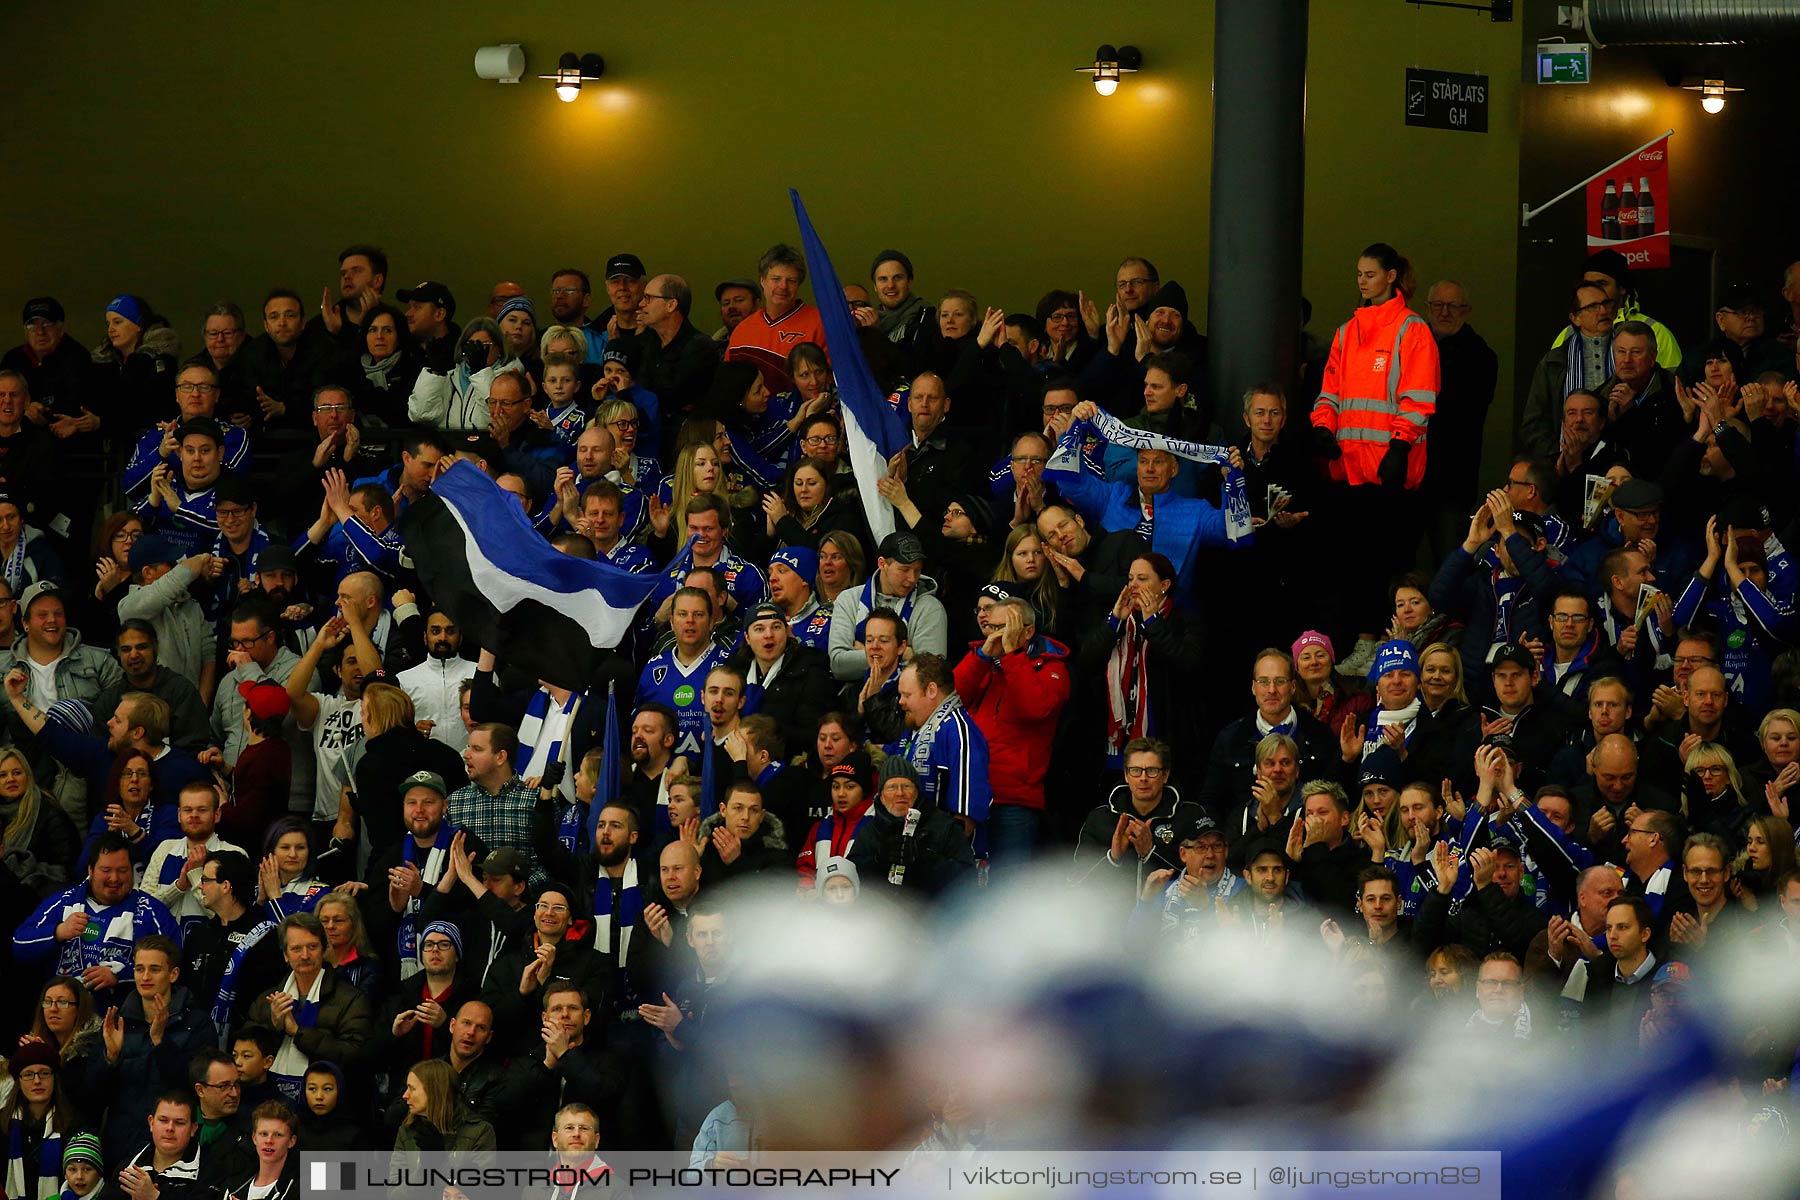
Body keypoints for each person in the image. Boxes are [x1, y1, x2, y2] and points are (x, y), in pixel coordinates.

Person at [1311, 243, 1439, 631]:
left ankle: (1391, 640)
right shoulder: (1347, 332)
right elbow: (1330, 390)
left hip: (1390, 472)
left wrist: (1400, 445)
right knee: (1351, 566)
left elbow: (1418, 397)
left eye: (1370, 274)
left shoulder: (1411, 329)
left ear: (1391, 276)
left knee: (1389, 566)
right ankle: (1360, 640)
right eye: (1359, 274)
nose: (1362, 281)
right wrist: (1322, 428)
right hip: (1347, 469)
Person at [952, 594, 1069, 865]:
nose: (995, 635)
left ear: (1027, 631)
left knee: (1007, 889)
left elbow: (1034, 708)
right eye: (992, 627)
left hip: (1015, 799)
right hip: (969, 793)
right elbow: (949, 699)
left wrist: (1012, 656)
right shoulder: (982, 661)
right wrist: (981, 657)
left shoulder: (1053, 669)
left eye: (1004, 628)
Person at [87, 936, 215, 1160]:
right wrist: (111, 1058)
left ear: (173, 974)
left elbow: (197, 1088)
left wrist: (160, 1043)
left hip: (175, 1149)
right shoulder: (117, 1022)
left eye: (154, 969)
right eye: (139, 969)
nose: (145, 977)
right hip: (121, 1147)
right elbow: (93, 1097)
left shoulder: (197, 1022)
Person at [14, 832, 179, 1003]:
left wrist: (121, 975)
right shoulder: (62, 902)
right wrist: (57, 932)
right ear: (90, 870)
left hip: (121, 1016)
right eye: (106, 870)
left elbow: (172, 963)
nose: (114, 878)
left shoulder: (151, 911)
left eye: (122, 871)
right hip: (61, 1010)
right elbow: (19, 945)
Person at [243, 913, 373, 1102]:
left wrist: (297, 1032)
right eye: (296, 949)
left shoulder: (351, 999)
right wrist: (274, 1026)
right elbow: (245, 1052)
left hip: (328, 1104)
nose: (305, 955)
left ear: (324, 950)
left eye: (312, 947)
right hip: (269, 1102)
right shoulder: (267, 999)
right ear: (285, 955)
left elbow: (355, 1056)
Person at [1071, 738, 1202, 902]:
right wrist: (1113, 857)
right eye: (1135, 770)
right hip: (1112, 921)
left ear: (1165, 774)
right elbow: (1077, 881)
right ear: (1126, 775)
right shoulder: (1100, 818)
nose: (1143, 778)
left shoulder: (1190, 816)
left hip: (1169, 920)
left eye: (1152, 770)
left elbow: (1205, 878)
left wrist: (1151, 852)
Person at [828, 531, 947, 682]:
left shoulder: (930, 608)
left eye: (917, 570)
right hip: (852, 697)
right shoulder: (848, 600)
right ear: (882, 563)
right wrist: (905, 654)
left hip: (907, 700)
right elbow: (839, 665)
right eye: (904, 570)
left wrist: (867, 653)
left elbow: (931, 673)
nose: (911, 579)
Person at [847, 759, 975, 896]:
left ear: (917, 792)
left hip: (933, 912)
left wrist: (927, 860)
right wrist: (878, 860)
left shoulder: (944, 826)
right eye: (892, 787)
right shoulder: (869, 832)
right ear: (881, 796)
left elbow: (968, 878)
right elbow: (849, 877)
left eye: (907, 786)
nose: (900, 793)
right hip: (881, 913)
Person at [724, 244, 825, 394]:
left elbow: (828, 381)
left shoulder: (820, 322)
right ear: (762, 281)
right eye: (776, 279)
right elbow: (728, 383)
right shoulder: (743, 329)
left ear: (799, 285)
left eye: (791, 280)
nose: (783, 286)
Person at [390, 1059, 496, 1172]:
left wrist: (439, 1161)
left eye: (412, 1089)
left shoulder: (480, 1132)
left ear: (434, 1091)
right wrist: (424, 1170)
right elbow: (395, 1188)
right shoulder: (406, 1130)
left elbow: (482, 1186)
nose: (405, 1095)